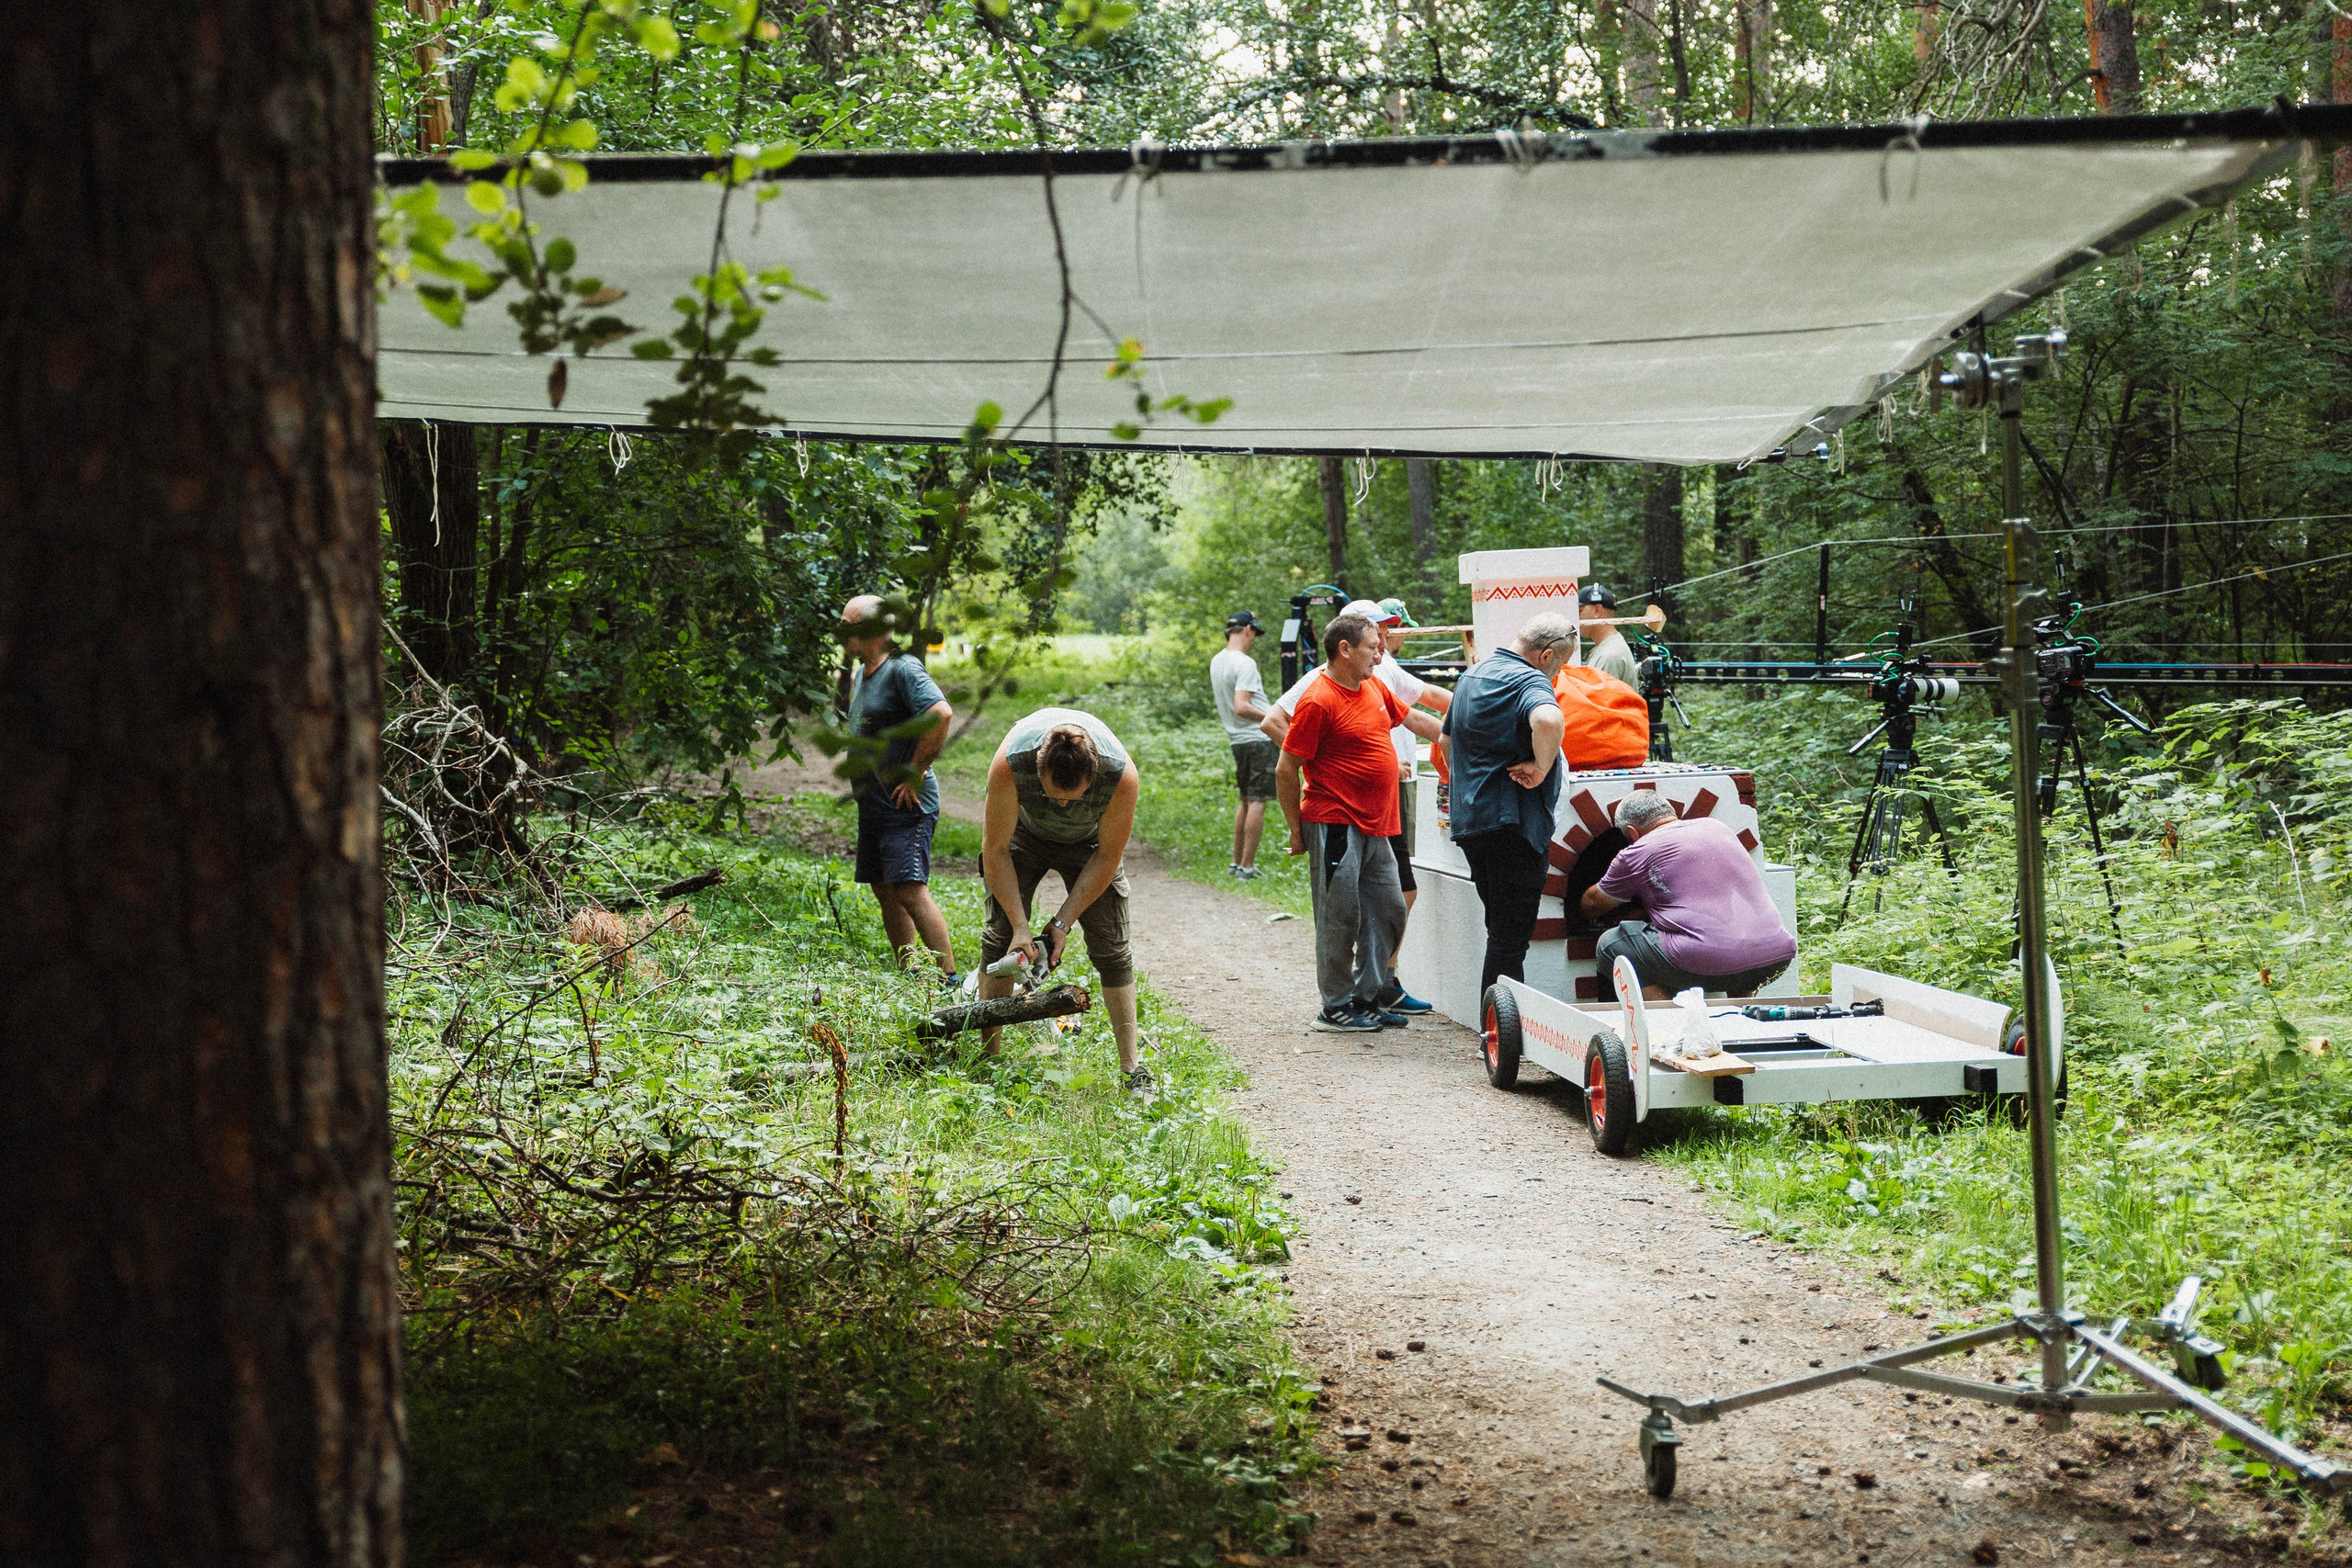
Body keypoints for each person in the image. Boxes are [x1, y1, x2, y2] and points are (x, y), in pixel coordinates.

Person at [1259, 598, 1446, 1014]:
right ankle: (1337, 1005)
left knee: (1390, 908)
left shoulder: (1374, 686)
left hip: (1378, 822)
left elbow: (1416, 720)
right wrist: (1296, 829)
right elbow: (1285, 770)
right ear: (1345, 649)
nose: (1379, 654)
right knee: (1339, 917)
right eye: (1371, 647)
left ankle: (1368, 994)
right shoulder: (1318, 699)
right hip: (1335, 822)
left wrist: (1459, 739)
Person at [977, 708, 1154, 1095]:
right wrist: (1021, 928)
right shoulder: (1010, 763)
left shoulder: (1120, 776)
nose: (1060, 806)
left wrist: (1061, 924)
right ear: (1038, 771)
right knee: (1000, 937)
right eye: (1051, 795)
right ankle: (987, 1061)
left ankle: (1133, 1071)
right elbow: (995, 849)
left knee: (1113, 950)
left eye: (1070, 799)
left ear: (1092, 778)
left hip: (1091, 845)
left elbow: (1107, 857)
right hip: (1022, 836)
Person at [1442, 611, 1577, 997]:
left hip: (1473, 823)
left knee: (1499, 928)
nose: (1556, 675)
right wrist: (1541, 765)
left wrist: (1468, 785)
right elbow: (1549, 721)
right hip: (1513, 825)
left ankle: (1501, 1023)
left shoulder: (1473, 675)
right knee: (1510, 938)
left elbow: (1445, 741)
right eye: (1560, 666)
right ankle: (1500, 1032)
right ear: (1547, 655)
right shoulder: (1530, 679)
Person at [839, 594, 957, 982]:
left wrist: (917, 768)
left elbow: (940, 713)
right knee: (884, 890)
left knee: (908, 889)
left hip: (905, 806)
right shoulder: (862, 674)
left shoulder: (903, 669)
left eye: (849, 626)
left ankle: (949, 981)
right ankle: (910, 976)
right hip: (873, 805)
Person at [1581, 790, 1797, 1001]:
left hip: (1709, 962)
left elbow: (1592, 906)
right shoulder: (1717, 827)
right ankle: (1739, 1015)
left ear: (1632, 831)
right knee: (1734, 948)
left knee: (1610, 944)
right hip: (1775, 958)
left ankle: (1672, 1024)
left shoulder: (1637, 851)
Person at [1209, 610, 1273, 880]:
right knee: (1257, 801)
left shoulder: (1217, 661)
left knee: (1246, 801)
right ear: (1247, 629)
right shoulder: (1244, 663)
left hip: (1237, 740)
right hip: (1258, 739)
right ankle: (1247, 867)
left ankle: (1237, 863)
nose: (1253, 640)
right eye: (1254, 635)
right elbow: (1242, 706)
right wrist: (1274, 717)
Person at [1579, 583, 1641, 686]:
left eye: (1580, 611)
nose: (1577, 617)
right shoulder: (1606, 648)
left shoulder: (1609, 655)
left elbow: (1598, 701)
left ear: (1597, 611)